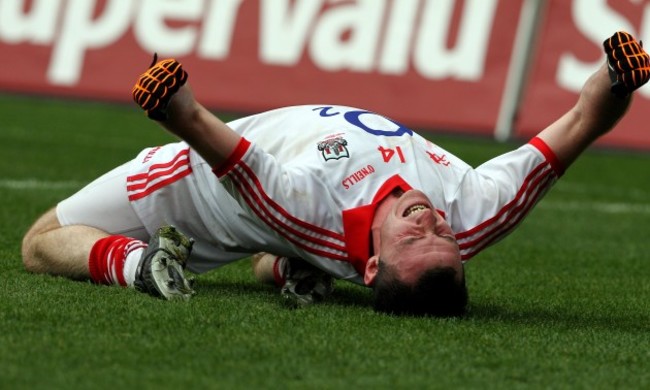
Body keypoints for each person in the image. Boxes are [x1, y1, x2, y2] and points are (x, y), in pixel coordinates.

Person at [21, 31, 649, 317]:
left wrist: (175, 104)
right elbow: (583, 121)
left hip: (199, 190)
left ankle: (143, 268)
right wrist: (618, 81)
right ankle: (295, 269)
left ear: (372, 267)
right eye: (446, 237)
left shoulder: (308, 206)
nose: (432, 220)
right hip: (283, 231)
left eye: (414, 238)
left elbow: (228, 155)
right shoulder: (477, 209)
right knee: (275, 260)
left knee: (42, 241)